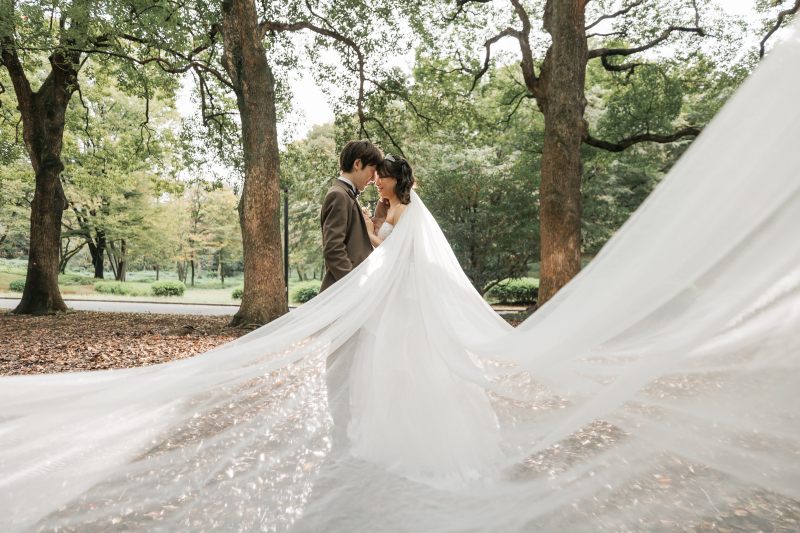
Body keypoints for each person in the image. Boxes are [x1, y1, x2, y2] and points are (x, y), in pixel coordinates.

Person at [319, 140, 388, 293]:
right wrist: (354, 287)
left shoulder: (346, 194)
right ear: (357, 164)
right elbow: (333, 249)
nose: (373, 179)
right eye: (372, 170)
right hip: (345, 291)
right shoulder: (338, 194)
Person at [364, 154, 413, 247]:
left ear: (397, 179)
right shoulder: (391, 208)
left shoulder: (401, 209)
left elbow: (398, 251)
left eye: (381, 177)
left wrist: (369, 234)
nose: (377, 183)